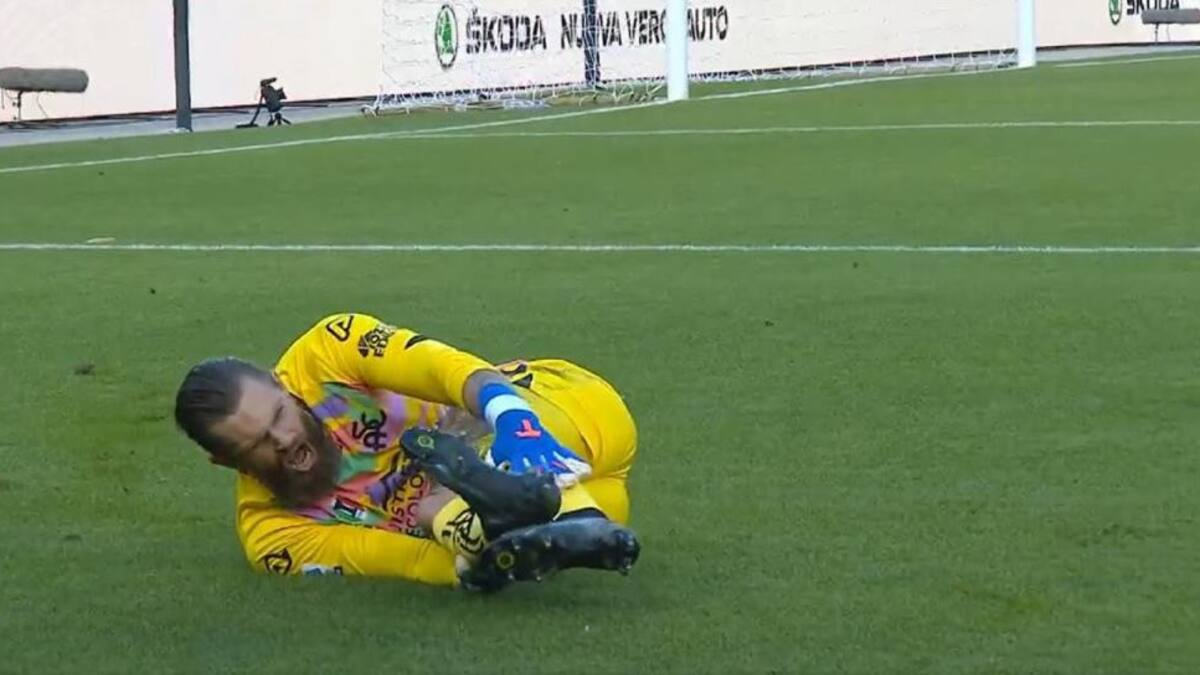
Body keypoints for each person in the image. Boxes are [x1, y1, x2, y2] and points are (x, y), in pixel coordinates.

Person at [173, 312, 640, 590]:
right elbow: (403, 560)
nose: (284, 440)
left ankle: (521, 504)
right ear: (226, 462)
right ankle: (545, 525)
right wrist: (472, 570)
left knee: (448, 458)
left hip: (566, 410)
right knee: (432, 511)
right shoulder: (274, 535)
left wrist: (514, 420)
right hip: (598, 489)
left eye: (278, 416)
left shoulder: (327, 352)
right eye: (256, 444)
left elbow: (444, 370)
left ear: (281, 385)